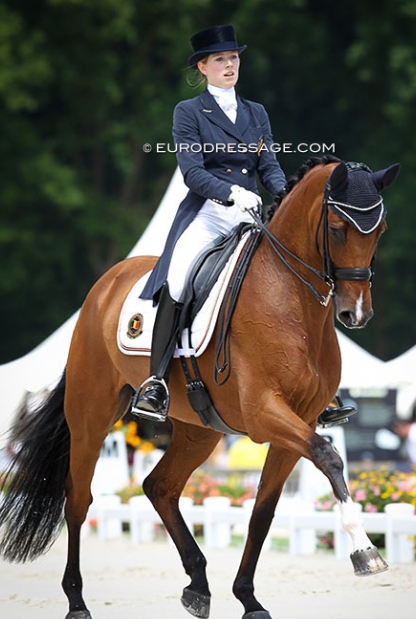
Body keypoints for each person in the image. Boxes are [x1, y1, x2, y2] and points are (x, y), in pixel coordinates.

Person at [132, 25, 354, 428]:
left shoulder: (256, 112)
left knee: (301, 279)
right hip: (208, 213)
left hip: (253, 216)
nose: (229, 65)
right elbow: (192, 172)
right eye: (220, 59)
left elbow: (268, 166)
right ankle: (156, 381)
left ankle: (321, 391)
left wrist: (286, 197)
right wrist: (231, 193)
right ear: (203, 67)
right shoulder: (188, 112)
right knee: (180, 278)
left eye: (234, 58)